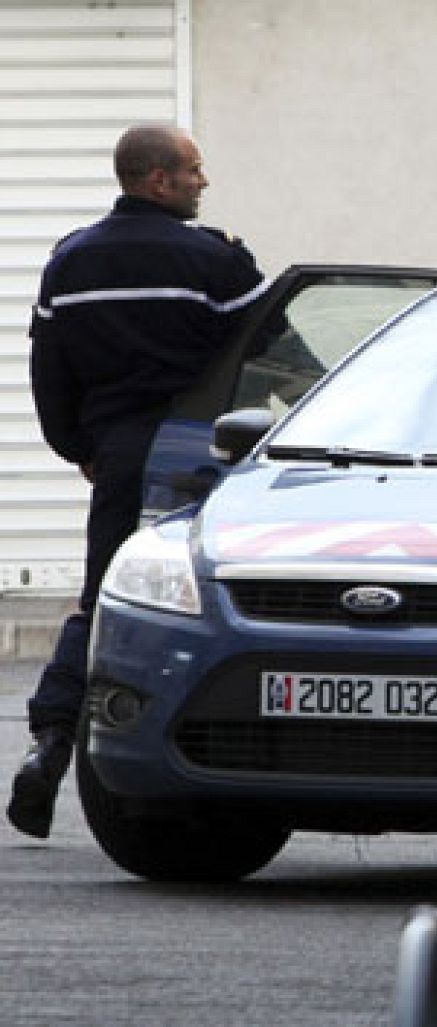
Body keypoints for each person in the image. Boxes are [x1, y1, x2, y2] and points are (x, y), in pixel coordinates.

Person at [7, 123, 270, 838]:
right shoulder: (214, 262)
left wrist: (80, 448)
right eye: (192, 169)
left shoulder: (70, 264)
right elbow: (279, 361)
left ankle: (51, 741)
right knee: (206, 603)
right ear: (158, 180)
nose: (202, 180)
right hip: (206, 457)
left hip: (120, 458)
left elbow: (47, 372)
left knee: (101, 601)